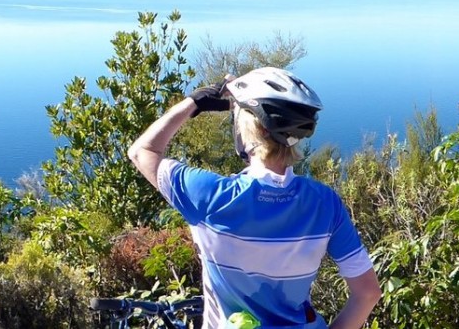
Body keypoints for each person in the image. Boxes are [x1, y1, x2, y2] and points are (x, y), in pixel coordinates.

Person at [127, 67, 380, 329]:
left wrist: (196, 102)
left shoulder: (210, 196)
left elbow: (142, 151)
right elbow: (368, 293)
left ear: (248, 130)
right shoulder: (324, 204)